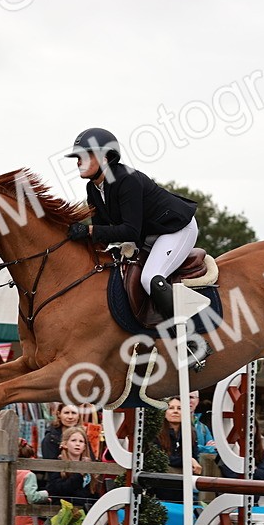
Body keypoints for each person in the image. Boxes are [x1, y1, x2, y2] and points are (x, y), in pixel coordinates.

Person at [64, 127, 202, 364]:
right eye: (77, 157)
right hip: (149, 235)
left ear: (106, 157)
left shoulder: (126, 180)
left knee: (150, 278)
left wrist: (89, 230)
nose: (78, 162)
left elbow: (129, 230)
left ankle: (190, 340)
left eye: (85, 156)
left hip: (176, 228)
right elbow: (104, 235)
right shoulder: (93, 188)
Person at [45, 426, 98, 507]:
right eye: (73, 440)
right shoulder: (57, 464)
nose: (77, 444)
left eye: (81, 441)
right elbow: (58, 489)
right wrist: (79, 474)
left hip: (86, 513)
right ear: (65, 444)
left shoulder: (88, 465)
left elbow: (92, 492)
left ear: (84, 446)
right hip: (63, 511)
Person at [159, 396, 203, 475]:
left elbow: (195, 457)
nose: (175, 411)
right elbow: (161, 459)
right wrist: (188, 460)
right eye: (171, 408)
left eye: (179, 408)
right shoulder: (157, 433)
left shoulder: (191, 433)